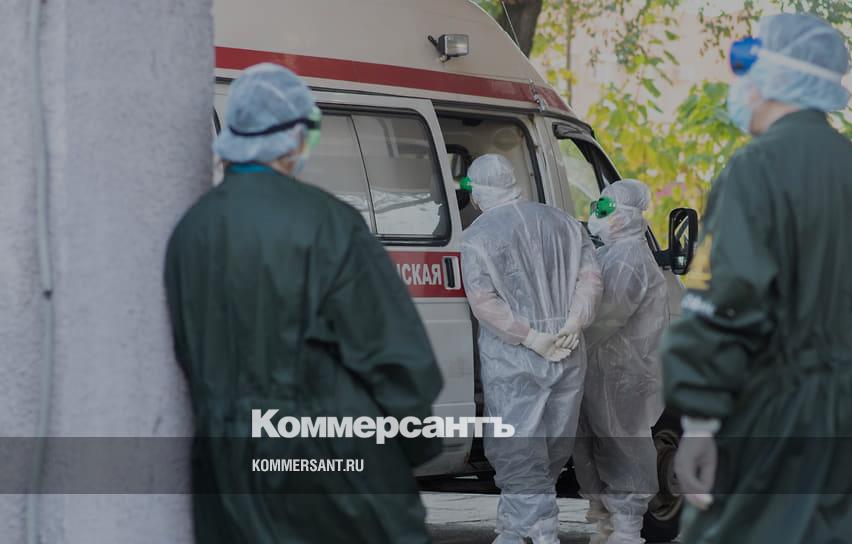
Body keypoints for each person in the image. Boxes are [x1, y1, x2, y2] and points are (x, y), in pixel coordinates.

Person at [164, 63, 443, 543]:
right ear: (292, 137)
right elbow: (396, 359)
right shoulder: (328, 223)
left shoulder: (190, 232)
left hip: (227, 471)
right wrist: (412, 447)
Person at [661, 14, 852, 544]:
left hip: (778, 432)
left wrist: (701, 422)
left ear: (771, 74)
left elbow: (725, 303)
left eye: (745, 66)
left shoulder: (758, 170)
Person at [459, 154, 603, 544]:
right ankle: (513, 529)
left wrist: (530, 337)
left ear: (479, 191)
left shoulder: (478, 235)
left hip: (515, 358)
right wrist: (572, 323)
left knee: (518, 449)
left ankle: (542, 532)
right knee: (553, 446)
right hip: (567, 349)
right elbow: (591, 279)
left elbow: (484, 301)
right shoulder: (564, 222)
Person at [573, 180, 669, 544]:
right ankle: (611, 526)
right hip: (604, 371)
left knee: (622, 447)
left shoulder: (629, 258)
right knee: (600, 447)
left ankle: (627, 532)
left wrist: (564, 339)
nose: (595, 216)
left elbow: (605, 316)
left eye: (604, 209)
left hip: (622, 375)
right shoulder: (611, 254)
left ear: (627, 215)